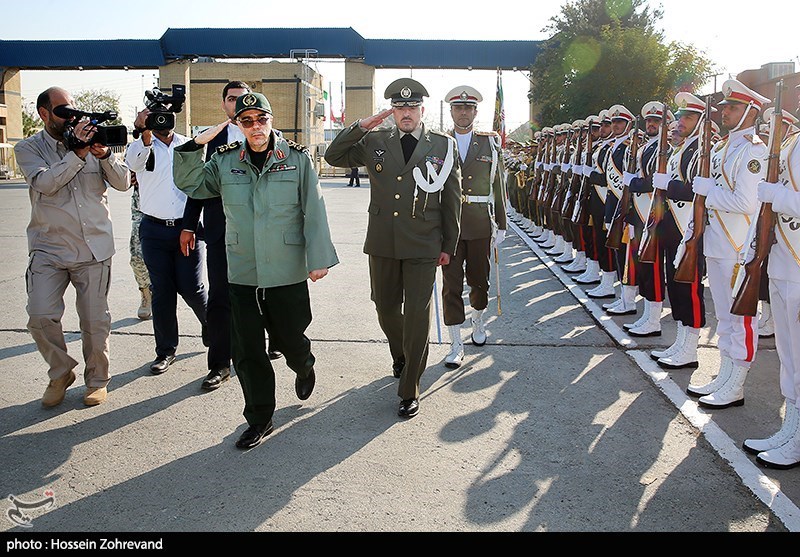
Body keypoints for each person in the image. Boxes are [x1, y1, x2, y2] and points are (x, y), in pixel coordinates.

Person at [174, 91, 339, 449]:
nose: (255, 127)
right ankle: (260, 418)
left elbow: (315, 209)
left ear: (270, 119)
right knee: (247, 350)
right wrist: (193, 145)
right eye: (246, 121)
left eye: (260, 119)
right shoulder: (224, 161)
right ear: (238, 125)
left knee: (292, 337)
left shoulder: (297, 159)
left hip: (285, 269)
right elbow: (193, 185)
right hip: (243, 271)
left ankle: (304, 363)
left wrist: (319, 257)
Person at [324, 78, 461, 419]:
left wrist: (448, 244)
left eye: (411, 108)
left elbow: (451, 200)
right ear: (392, 112)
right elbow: (333, 155)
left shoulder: (443, 146)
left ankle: (410, 386)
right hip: (384, 240)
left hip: (423, 242)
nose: (406, 114)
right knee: (384, 307)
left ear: (421, 111)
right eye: (399, 108)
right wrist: (361, 125)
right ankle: (402, 353)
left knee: (417, 315)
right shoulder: (375, 140)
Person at [14, 86, 131, 407]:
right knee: (39, 316)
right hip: (48, 249)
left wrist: (104, 154)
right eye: (62, 111)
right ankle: (61, 371)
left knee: (95, 322)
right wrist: (76, 153)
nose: (71, 117)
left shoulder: (93, 139)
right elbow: (45, 183)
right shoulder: (28, 148)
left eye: (73, 109)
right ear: (44, 113)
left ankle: (97, 380)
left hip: (93, 249)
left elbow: (123, 182)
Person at [178, 81, 282, 392]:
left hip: (262, 236)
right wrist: (188, 224)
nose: (238, 105)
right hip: (223, 232)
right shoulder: (213, 139)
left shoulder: (270, 137)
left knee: (266, 295)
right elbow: (198, 184)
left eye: (245, 101)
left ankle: (273, 339)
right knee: (221, 298)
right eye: (233, 99)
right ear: (225, 106)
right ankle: (220, 363)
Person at [685, 80, 768, 409]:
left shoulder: (754, 150)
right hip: (717, 242)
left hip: (738, 245)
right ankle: (724, 373)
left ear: (750, 112)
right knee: (724, 317)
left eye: (732, 107)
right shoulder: (721, 147)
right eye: (724, 106)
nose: (724, 111)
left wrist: (708, 192)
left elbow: (748, 203)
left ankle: (737, 381)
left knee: (741, 319)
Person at [125, 105, 209, 375]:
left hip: (188, 228)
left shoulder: (189, 145)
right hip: (153, 230)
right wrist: (145, 134)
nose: (162, 121)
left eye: (166, 116)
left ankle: (214, 331)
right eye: (154, 117)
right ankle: (166, 351)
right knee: (162, 293)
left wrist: (192, 226)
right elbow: (134, 165)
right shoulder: (140, 147)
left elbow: (199, 185)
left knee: (192, 288)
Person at [745, 98, 800, 468]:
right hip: (783, 263)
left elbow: (781, 198)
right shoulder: (793, 144)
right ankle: (791, 429)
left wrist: (778, 196)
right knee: (788, 358)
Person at [440, 85, 507, 368]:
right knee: (451, 286)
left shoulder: (490, 144)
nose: (463, 112)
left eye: (468, 108)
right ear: (452, 111)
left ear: (475, 112)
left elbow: (498, 185)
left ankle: (478, 321)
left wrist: (501, 224)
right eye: (458, 108)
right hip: (449, 227)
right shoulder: (439, 143)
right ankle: (456, 342)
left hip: (480, 224)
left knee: (479, 282)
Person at [648, 92, 708, 370]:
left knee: (689, 289)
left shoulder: (701, 150)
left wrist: (666, 186)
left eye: (689, 117)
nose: (681, 122)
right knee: (676, 286)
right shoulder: (682, 148)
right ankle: (682, 340)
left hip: (688, 227)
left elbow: (698, 189)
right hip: (673, 225)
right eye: (681, 116)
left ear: (700, 120)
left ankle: (691, 348)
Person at [622, 102, 674, 337]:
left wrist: (633, 183)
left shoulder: (666, 149)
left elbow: (655, 180)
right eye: (649, 121)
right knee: (643, 266)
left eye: (656, 121)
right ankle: (647, 315)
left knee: (652, 267)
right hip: (641, 213)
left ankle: (654, 319)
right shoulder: (646, 147)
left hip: (654, 215)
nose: (651, 124)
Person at [129, 171, 152, 320]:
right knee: (137, 255)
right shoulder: (139, 146)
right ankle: (146, 292)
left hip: (171, 201)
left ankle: (164, 295)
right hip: (141, 203)